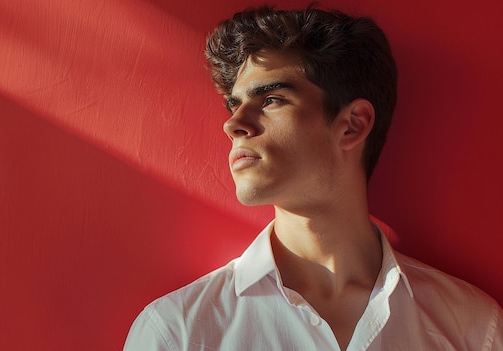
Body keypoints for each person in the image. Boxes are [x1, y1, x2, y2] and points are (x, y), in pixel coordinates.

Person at [123, 5, 503, 350]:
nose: (233, 124)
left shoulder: (471, 327)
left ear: (352, 126)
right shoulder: (177, 333)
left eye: (271, 99)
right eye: (234, 105)